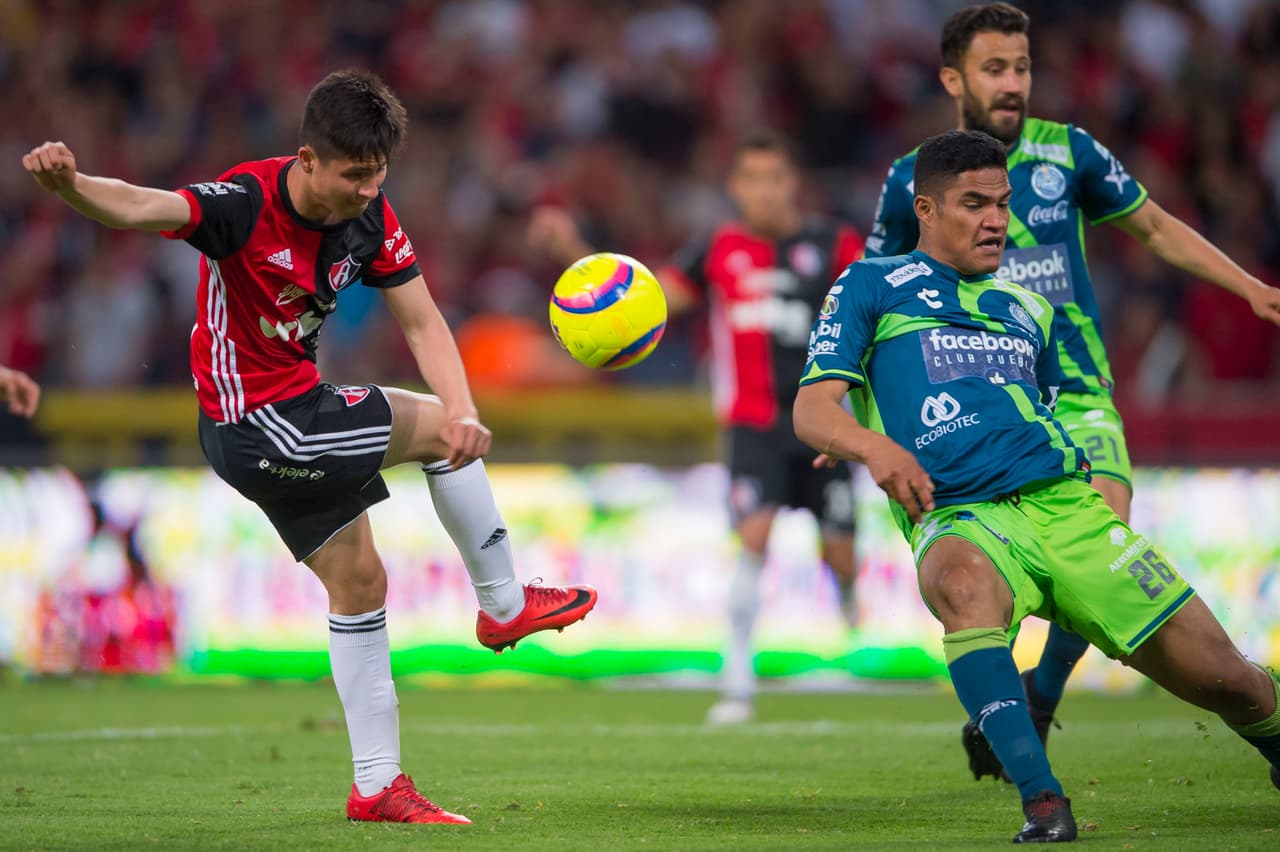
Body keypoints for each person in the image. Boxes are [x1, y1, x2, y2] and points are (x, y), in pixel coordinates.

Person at [22, 69, 598, 826]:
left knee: (360, 583)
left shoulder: (371, 215)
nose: (368, 189)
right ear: (307, 160)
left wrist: (466, 407)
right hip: (260, 421)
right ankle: (504, 603)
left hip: (287, 414)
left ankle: (377, 787)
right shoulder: (245, 203)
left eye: (378, 172)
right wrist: (70, 185)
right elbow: (141, 204)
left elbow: (423, 323)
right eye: (354, 174)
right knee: (427, 425)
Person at [796, 128, 1280, 843]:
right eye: (974, 204)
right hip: (960, 514)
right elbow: (812, 409)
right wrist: (871, 446)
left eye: (1002, 202)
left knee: (1229, 681)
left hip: (1067, 509)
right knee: (963, 588)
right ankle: (1043, 800)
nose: (996, 219)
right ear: (924, 209)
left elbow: (1045, 408)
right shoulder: (871, 283)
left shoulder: (1029, 307)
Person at [864, 2, 1280, 782]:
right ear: (955, 78)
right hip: (977, 409)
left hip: (1076, 394)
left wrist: (1249, 286)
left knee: (1106, 537)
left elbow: (1154, 228)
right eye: (995, 68)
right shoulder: (913, 180)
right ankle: (1022, 699)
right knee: (993, 576)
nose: (1013, 83)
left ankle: (1042, 697)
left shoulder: (1070, 154)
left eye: (1022, 66)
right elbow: (878, 297)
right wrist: (855, 422)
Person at [530, 130, 864, 724]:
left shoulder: (835, 244)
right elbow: (643, 300)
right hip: (752, 425)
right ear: (736, 188)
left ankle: (848, 598)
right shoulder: (720, 247)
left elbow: (869, 316)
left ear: (794, 184)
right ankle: (737, 678)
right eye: (752, 180)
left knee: (840, 551)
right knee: (753, 537)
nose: (765, 192)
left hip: (824, 424)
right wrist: (574, 250)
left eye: (776, 178)